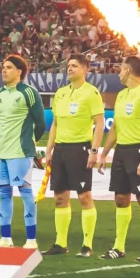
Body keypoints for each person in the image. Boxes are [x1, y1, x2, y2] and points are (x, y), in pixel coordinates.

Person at [45, 55, 108, 256]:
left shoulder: (92, 93)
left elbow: (99, 123)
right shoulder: (61, 93)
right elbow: (55, 123)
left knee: (84, 196)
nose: (69, 69)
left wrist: (94, 151)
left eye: (74, 66)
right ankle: (60, 244)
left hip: (80, 149)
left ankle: (87, 245)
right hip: (61, 150)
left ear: (84, 69)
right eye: (68, 66)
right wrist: (49, 149)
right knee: (59, 197)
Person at [103, 56, 140, 259]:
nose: (118, 72)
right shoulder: (121, 95)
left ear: (128, 70)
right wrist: (104, 153)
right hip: (121, 151)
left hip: (138, 151)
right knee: (120, 198)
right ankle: (119, 247)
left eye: (120, 69)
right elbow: (115, 128)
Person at [0, 55, 46, 249]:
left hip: (21, 152)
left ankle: (31, 240)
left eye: (8, 67)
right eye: (3, 67)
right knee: (4, 193)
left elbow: (40, 123)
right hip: (2, 152)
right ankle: (5, 238)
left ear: (19, 71)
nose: (4, 71)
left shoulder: (29, 92)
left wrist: (30, 144)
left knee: (25, 193)